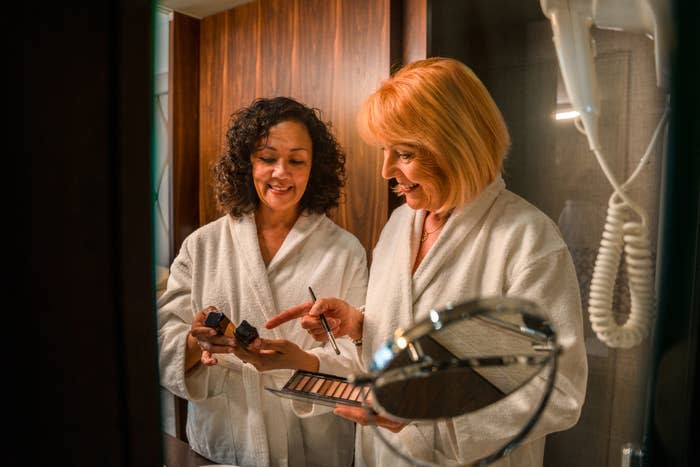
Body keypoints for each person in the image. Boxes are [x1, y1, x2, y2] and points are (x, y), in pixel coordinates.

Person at [266, 58, 588, 466]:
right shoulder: (400, 225)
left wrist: (429, 412)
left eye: (404, 153)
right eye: (385, 151)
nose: (386, 170)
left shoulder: (527, 239)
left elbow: (559, 393)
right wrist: (360, 326)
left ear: (457, 144)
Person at [157, 96, 368, 467]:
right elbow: (160, 345)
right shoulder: (203, 245)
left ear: (313, 168)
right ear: (246, 163)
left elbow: (363, 357)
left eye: (297, 161)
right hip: (222, 444)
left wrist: (303, 360)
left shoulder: (345, 251)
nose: (281, 173)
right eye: (267, 158)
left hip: (313, 451)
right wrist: (196, 341)